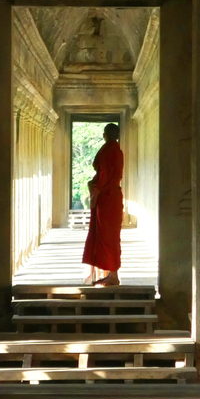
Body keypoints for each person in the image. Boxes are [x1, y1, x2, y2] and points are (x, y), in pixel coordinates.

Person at [82, 123, 124, 286]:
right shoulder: (118, 151)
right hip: (113, 196)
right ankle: (112, 273)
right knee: (112, 236)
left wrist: (96, 190)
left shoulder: (108, 151)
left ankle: (113, 275)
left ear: (105, 135)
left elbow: (104, 175)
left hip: (106, 197)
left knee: (107, 236)